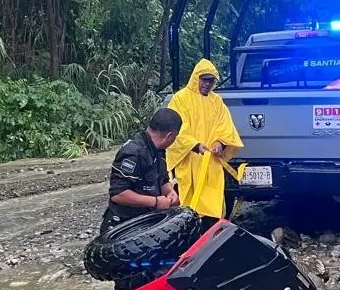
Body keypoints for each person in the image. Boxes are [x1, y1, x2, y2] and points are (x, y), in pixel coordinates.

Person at [166, 59, 244, 228]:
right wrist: (195, 145)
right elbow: (176, 128)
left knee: (212, 204)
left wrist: (219, 143)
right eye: (204, 79)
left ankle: (210, 236)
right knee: (187, 204)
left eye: (211, 80)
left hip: (211, 163)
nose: (207, 84)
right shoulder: (180, 99)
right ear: (196, 78)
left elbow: (225, 127)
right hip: (189, 161)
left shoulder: (217, 102)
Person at [102, 107, 182, 235]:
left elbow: (162, 179)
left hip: (146, 220)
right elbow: (118, 194)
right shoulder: (133, 152)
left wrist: (170, 192)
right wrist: (156, 202)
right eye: (175, 137)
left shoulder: (159, 150)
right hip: (123, 224)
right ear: (170, 136)